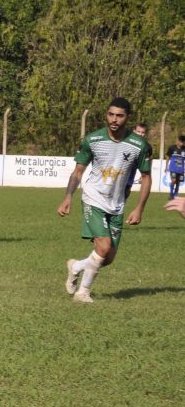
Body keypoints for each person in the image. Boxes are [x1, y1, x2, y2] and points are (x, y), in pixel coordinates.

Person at [58, 97, 152, 304]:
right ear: (106, 115)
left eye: (119, 115)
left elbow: (146, 177)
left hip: (117, 203)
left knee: (107, 257)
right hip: (93, 197)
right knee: (103, 247)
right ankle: (82, 293)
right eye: (111, 114)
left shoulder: (139, 145)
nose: (114, 119)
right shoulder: (92, 140)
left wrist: (139, 208)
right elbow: (77, 171)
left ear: (127, 117)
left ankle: (76, 266)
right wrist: (68, 197)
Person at [166, 134, 184, 200]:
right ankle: (171, 194)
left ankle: (176, 194)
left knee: (178, 182)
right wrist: (166, 166)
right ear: (178, 141)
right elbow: (168, 157)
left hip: (181, 169)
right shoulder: (172, 148)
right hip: (173, 168)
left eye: (183, 142)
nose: (182, 143)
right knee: (173, 180)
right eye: (181, 142)